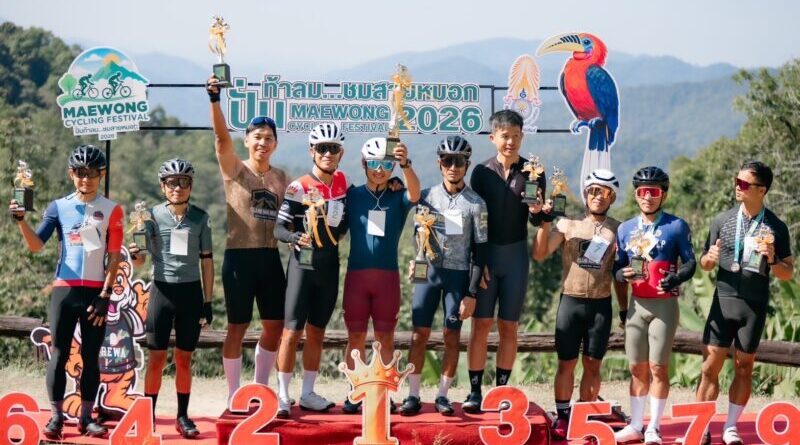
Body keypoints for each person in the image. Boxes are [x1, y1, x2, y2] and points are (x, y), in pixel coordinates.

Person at [9, 145, 123, 438]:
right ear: (72, 174)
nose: (86, 179)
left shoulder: (112, 209)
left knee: (91, 355)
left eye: (92, 174)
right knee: (59, 354)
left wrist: (106, 295)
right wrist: (22, 222)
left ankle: (86, 418)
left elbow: (114, 258)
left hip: (96, 293)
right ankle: (56, 417)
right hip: (65, 290)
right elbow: (36, 245)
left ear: (101, 175)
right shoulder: (58, 207)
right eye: (81, 173)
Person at [695, 161, 793, 445]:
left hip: (753, 306)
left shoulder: (776, 226)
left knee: (744, 368)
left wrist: (773, 259)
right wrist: (709, 259)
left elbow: (787, 273)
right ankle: (702, 427)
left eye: (744, 184)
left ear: (761, 190)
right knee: (709, 368)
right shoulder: (722, 220)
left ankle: (730, 427)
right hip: (723, 301)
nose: (737, 187)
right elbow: (704, 263)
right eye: (736, 181)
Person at [207, 78, 290, 401]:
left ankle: (259, 388)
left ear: (275, 144)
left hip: (270, 258)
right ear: (246, 141)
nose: (263, 143)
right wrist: (215, 100)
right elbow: (220, 139)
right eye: (257, 137)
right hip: (239, 258)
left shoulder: (281, 178)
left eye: (269, 138)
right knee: (236, 328)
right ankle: (233, 393)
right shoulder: (234, 169)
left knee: (275, 326)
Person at [533, 169, 628, 439]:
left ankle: (585, 415)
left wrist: (624, 309)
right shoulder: (568, 224)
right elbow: (540, 253)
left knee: (593, 364)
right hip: (571, 302)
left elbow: (621, 275)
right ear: (586, 194)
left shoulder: (619, 229)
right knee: (566, 363)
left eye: (606, 193)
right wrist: (545, 222)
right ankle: (563, 415)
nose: (599, 197)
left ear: (612, 198)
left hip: (600, 305)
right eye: (594, 191)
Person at [399, 136, 488, 416]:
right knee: (419, 335)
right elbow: (417, 236)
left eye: (459, 162)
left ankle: (442, 395)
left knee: (452, 336)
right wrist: (415, 261)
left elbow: (481, 251)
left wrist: (471, 293)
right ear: (439, 163)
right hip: (428, 273)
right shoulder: (426, 196)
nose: (453, 167)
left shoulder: (476, 203)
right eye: (448, 161)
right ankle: (413, 395)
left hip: (458, 275)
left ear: (467, 165)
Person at [464, 109, 545, 412]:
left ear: (522, 136)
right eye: (505, 136)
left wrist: (538, 212)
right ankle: (474, 391)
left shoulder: (533, 172)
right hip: (487, 256)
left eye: (516, 136)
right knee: (481, 325)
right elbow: (474, 221)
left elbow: (537, 219)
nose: (510, 141)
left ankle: (501, 391)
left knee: (509, 327)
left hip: (516, 258)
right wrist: (478, 261)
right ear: (493, 137)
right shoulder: (481, 173)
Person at [129, 159, 214, 439]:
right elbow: (141, 261)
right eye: (171, 182)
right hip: (161, 292)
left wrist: (208, 301)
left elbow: (207, 262)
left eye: (183, 182)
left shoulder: (200, 218)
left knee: (184, 359)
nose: (177, 187)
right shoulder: (150, 216)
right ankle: (147, 416)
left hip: (191, 294)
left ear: (191, 185)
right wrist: (135, 254)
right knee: (156, 358)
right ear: (162, 186)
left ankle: (182, 416)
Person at [614, 166, 696, 445]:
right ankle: (636, 425)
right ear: (636, 195)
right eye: (642, 192)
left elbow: (690, 263)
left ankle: (654, 427)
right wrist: (621, 274)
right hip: (637, 305)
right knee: (636, 368)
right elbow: (617, 269)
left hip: (664, 306)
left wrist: (677, 277)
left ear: (664, 195)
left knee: (658, 368)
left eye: (654, 192)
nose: (648, 197)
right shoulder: (625, 229)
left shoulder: (676, 226)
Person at [274, 123, 350, 418]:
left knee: (317, 331)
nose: (327, 153)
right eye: (322, 148)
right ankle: (283, 394)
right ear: (312, 151)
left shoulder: (342, 182)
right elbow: (279, 228)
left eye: (333, 148)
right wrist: (294, 237)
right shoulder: (299, 186)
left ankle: (307, 393)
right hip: (302, 266)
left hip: (329, 266)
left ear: (341, 152)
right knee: (291, 331)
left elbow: (345, 221)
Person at [341, 137, 419, 414]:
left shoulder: (398, 195)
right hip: (356, 277)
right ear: (364, 164)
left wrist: (405, 165)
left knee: (385, 338)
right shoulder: (352, 195)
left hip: (387, 279)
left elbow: (415, 194)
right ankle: (355, 392)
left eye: (386, 165)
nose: (379, 170)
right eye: (374, 164)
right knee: (356, 338)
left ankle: (384, 392)